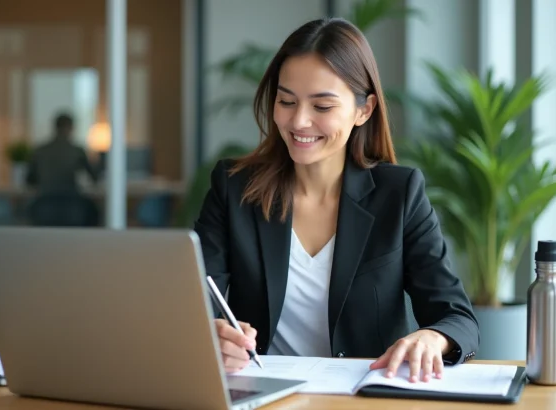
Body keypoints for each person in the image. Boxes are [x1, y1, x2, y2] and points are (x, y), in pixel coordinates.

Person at [194, 17, 479, 383]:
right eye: (286, 101)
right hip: (260, 392)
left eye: (322, 107)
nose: (298, 121)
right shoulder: (234, 188)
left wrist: (433, 337)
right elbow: (192, 303)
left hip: (364, 399)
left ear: (365, 109)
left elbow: (459, 318)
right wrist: (212, 335)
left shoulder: (400, 194)